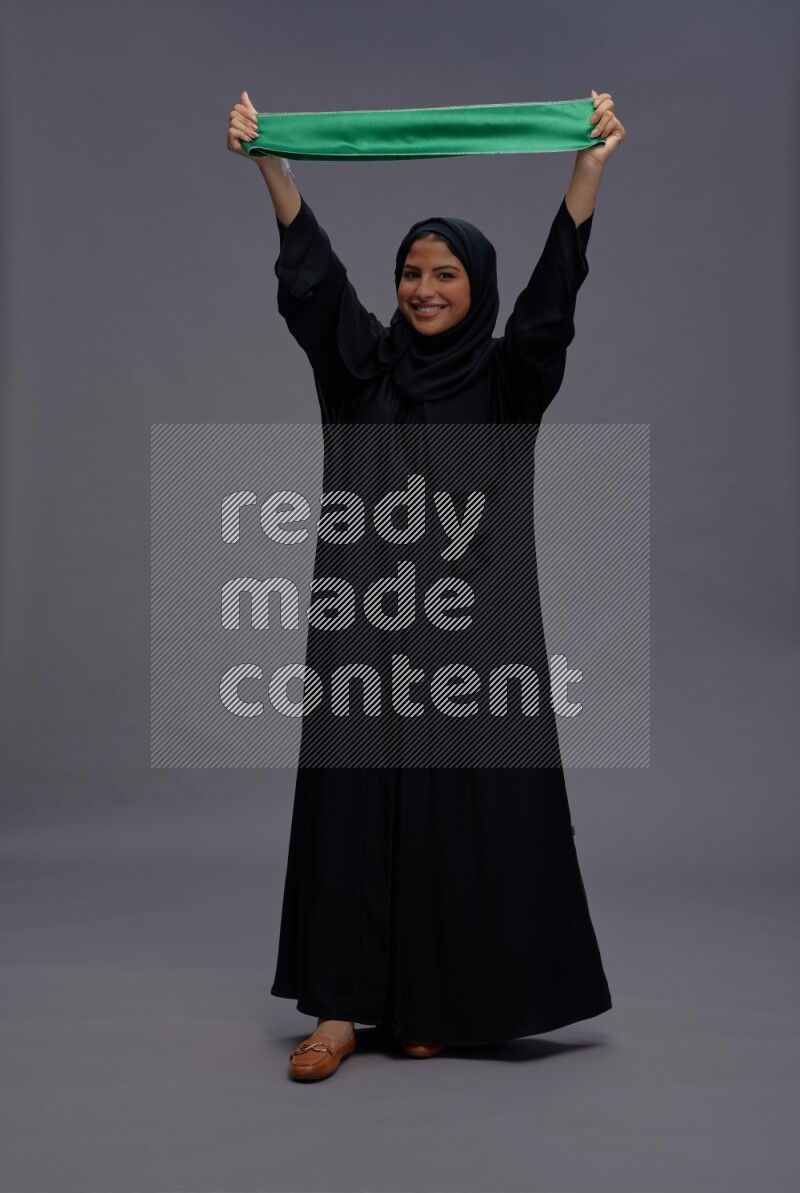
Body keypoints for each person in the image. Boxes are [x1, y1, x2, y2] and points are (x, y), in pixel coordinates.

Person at [227, 90, 626, 1082]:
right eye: (410, 271)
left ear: (472, 286)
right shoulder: (358, 372)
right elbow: (313, 287)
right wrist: (270, 164)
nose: (422, 287)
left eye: (443, 273)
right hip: (363, 633)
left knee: (460, 813)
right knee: (353, 805)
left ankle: (429, 1001)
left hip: (468, 643)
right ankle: (335, 1012)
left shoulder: (505, 385)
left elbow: (550, 309)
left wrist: (585, 173)